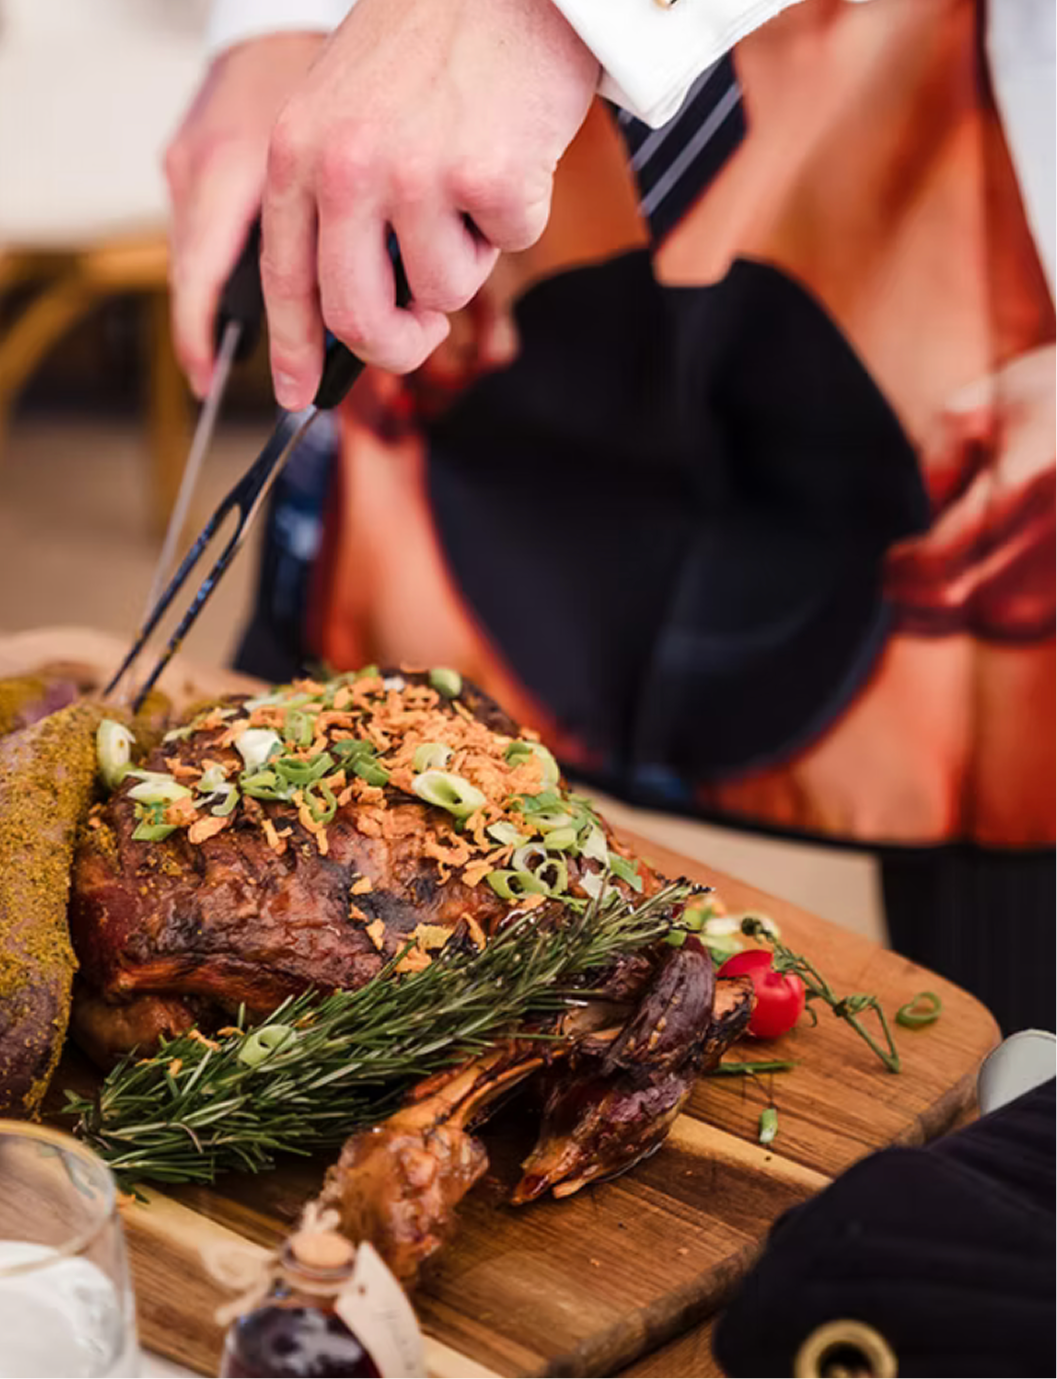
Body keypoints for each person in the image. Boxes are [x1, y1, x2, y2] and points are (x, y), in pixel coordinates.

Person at [164, 0, 1057, 1034]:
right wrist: (277, 25)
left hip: (971, 229)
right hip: (453, 179)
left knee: (1013, 1090)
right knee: (247, 855)